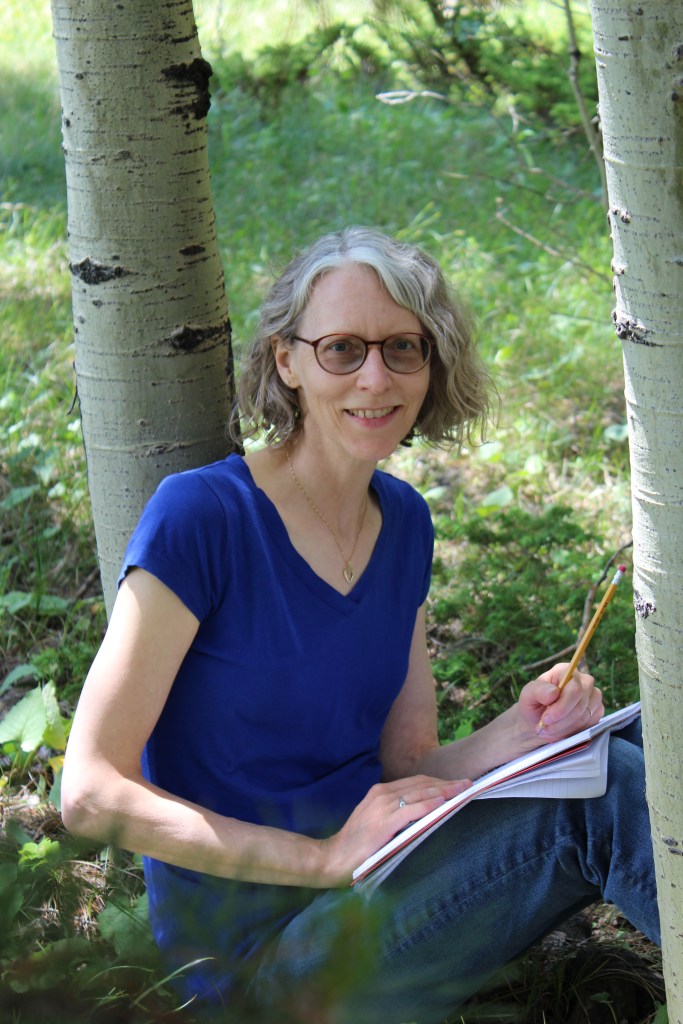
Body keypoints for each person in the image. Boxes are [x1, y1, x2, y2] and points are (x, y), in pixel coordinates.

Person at [61, 226, 659, 1024]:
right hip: (260, 964)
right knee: (609, 796)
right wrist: (324, 859)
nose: (375, 377)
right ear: (288, 361)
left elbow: (408, 763)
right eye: (342, 348)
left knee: (642, 745)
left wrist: (521, 733)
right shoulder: (202, 516)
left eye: (401, 348)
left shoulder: (404, 520)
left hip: (385, 886)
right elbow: (90, 793)